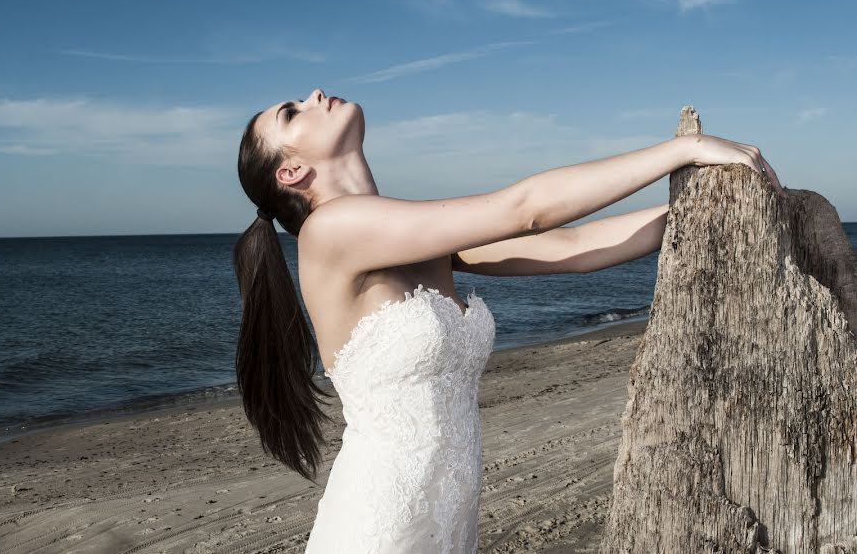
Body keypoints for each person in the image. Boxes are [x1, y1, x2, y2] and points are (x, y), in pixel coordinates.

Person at [232, 88, 784, 553]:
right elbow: (524, 208)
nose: (314, 96)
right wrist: (683, 150)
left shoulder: (414, 236)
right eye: (291, 112)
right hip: (379, 522)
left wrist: (705, 204)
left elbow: (571, 246)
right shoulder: (330, 232)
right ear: (292, 170)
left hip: (449, 518)